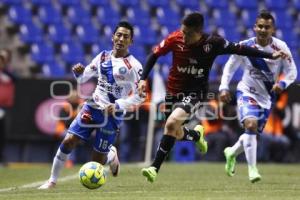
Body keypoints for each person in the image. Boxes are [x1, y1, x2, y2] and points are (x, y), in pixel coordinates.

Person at [138, 11, 286, 183]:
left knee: (170, 124)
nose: (183, 37)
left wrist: (269, 55)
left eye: (188, 34)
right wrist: (143, 79)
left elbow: (241, 49)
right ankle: (195, 136)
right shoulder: (175, 38)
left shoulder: (213, 43)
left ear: (199, 32)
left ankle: (154, 168)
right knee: (175, 132)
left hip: (196, 93)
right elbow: (154, 55)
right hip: (173, 93)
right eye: (182, 31)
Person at [38, 21, 144, 189]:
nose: (121, 39)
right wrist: (78, 73)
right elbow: (82, 78)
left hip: (112, 114)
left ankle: (110, 155)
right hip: (93, 106)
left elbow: (140, 96)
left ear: (131, 41)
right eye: (118, 35)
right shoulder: (102, 57)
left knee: (96, 161)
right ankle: (52, 181)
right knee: (68, 140)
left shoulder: (135, 66)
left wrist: (118, 105)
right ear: (112, 37)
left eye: (126, 36)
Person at [219, 10, 297, 183]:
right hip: (246, 91)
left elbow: (292, 71)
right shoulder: (244, 46)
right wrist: (224, 87)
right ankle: (252, 169)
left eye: (266, 27)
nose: (262, 30)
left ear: (273, 29)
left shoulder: (281, 47)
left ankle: (231, 152)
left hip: (266, 98)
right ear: (254, 27)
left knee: (251, 133)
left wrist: (282, 84)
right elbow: (230, 67)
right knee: (251, 124)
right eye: (260, 26)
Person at [0, 48, 15, 167]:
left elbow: (17, 78)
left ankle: (2, 158)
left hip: (5, 107)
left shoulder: (9, 72)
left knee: (4, 134)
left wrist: (3, 67)